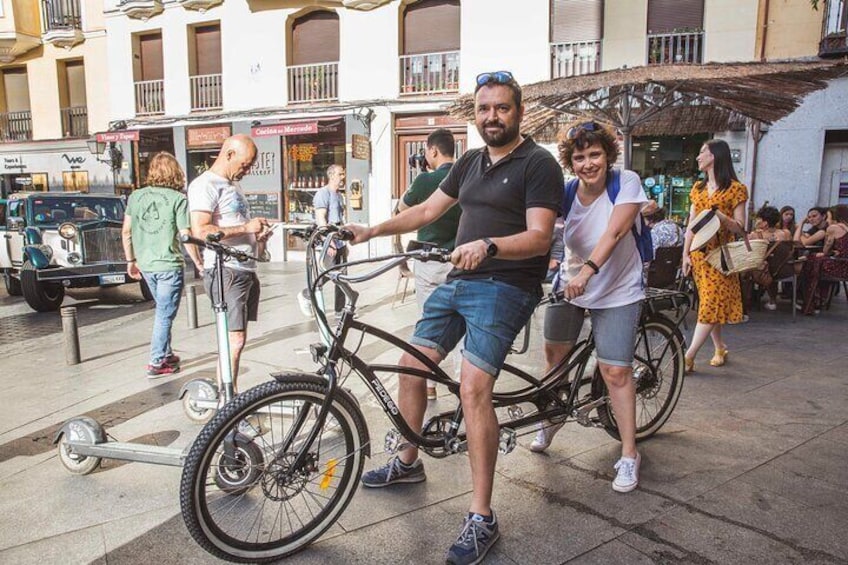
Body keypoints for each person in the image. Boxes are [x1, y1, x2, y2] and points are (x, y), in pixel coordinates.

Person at [346, 71, 563, 565]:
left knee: (472, 388)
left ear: (518, 112)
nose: (492, 117)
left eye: (501, 108)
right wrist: (371, 230)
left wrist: (488, 245)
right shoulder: (468, 162)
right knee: (409, 364)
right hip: (459, 281)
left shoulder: (539, 164)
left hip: (505, 286)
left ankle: (481, 515)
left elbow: (539, 237)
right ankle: (407, 460)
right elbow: (425, 211)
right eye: (484, 109)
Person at [530, 121, 647, 496]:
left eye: (594, 154)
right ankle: (553, 418)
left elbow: (614, 232)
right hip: (572, 284)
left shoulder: (625, 181)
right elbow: (544, 232)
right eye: (579, 157)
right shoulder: (565, 193)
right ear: (570, 162)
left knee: (615, 371)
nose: (587, 163)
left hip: (617, 289)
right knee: (554, 361)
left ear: (607, 155)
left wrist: (590, 271)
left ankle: (629, 453)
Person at [188, 134, 272, 395]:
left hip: (244, 269)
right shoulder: (205, 185)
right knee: (233, 340)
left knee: (237, 339)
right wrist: (246, 227)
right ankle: (228, 402)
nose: (246, 171)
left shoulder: (232, 184)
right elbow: (201, 231)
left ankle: (230, 396)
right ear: (229, 154)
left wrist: (258, 238)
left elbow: (233, 224)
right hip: (226, 270)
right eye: (245, 164)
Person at [122, 152, 203, 378]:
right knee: (164, 314)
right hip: (168, 265)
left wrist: (131, 260)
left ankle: (166, 353)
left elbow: (126, 231)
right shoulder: (178, 199)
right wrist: (198, 262)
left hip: (146, 264)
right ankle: (157, 361)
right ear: (175, 172)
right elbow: (185, 235)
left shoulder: (136, 197)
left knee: (162, 311)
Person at [397, 128, 461, 401]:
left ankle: (429, 384)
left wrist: (418, 178)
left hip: (430, 262)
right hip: (459, 261)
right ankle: (462, 384)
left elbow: (403, 209)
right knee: (461, 322)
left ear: (433, 151)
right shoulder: (465, 176)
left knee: (427, 322)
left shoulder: (425, 180)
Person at [682, 139, 749, 373]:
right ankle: (719, 347)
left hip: (721, 255)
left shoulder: (736, 189)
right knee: (711, 304)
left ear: (715, 156)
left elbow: (741, 227)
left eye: (702, 152)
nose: (698, 157)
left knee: (711, 303)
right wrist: (685, 255)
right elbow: (691, 225)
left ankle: (688, 356)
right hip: (700, 255)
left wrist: (722, 217)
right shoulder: (697, 190)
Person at [312, 164, 348, 317]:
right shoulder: (323, 194)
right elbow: (321, 219)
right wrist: (329, 241)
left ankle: (339, 310)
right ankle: (309, 293)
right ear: (332, 175)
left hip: (340, 237)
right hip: (329, 238)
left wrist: (345, 242)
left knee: (342, 274)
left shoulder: (339, 195)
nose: (343, 177)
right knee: (330, 272)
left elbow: (342, 218)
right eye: (340, 174)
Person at [799, 204, 848, 314]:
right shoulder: (845, 227)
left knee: (809, 262)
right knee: (813, 261)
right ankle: (818, 299)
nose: (827, 219)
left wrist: (826, 252)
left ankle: (811, 301)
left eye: (828, 216)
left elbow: (826, 249)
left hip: (837, 266)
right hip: (845, 264)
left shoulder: (832, 228)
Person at [744, 205, 792, 311]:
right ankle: (772, 300)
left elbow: (746, 249)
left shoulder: (755, 235)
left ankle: (749, 301)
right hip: (784, 270)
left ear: (763, 221)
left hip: (764, 272)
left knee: (749, 270)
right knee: (771, 265)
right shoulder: (786, 233)